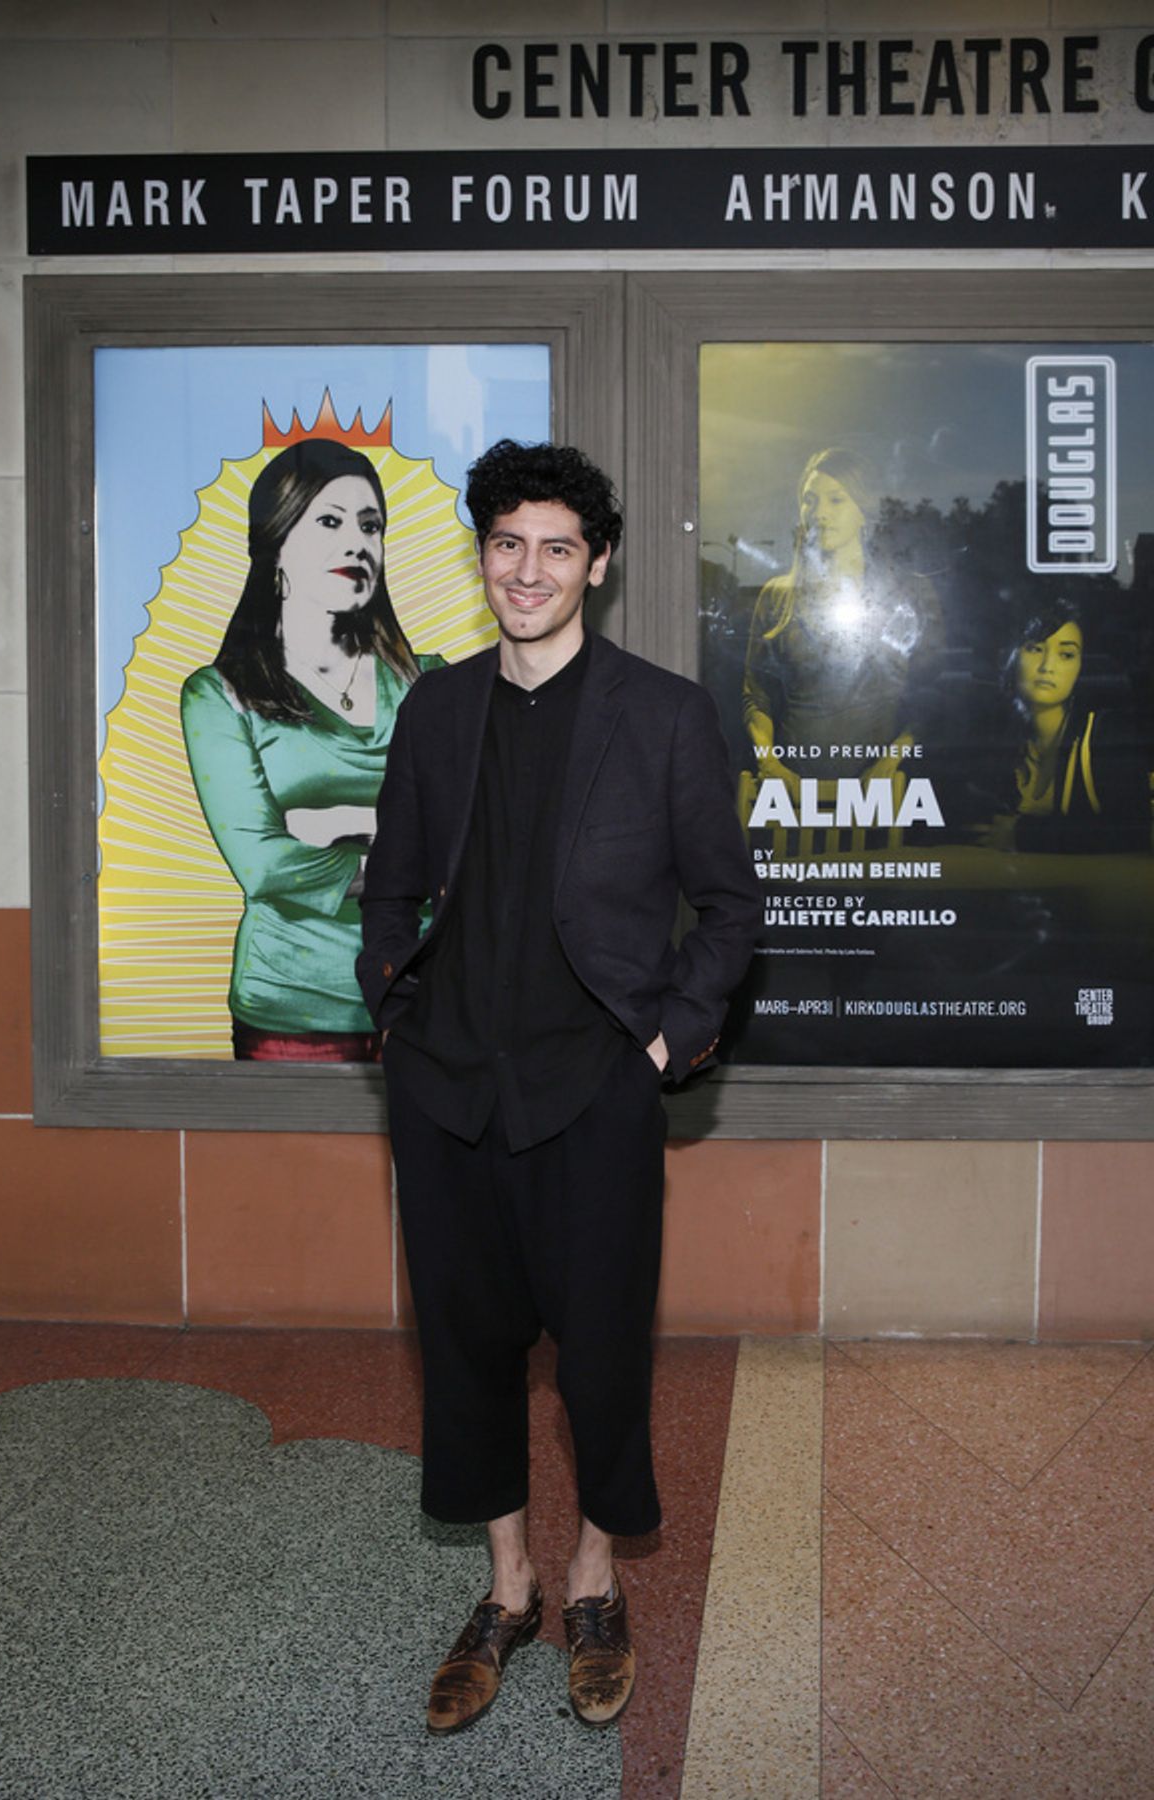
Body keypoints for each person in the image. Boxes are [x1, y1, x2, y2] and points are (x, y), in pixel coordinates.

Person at [357, 439, 762, 1734]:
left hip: (592, 1096)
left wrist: (663, 1047)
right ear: (483, 557)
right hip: (448, 1095)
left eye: (556, 548)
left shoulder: (661, 716)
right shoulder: (437, 708)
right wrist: (395, 1015)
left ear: (599, 564)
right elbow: (390, 888)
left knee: (597, 1361)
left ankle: (594, 1581)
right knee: (467, 1358)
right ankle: (510, 1588)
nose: (528, 571)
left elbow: (730, 908)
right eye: (506, 544)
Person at [181, 437, 440, 1061]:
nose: (358, 542)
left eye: (371, 526)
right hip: (294, 1009)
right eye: (329, 521)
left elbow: (471, 834)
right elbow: (264, 866)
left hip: (427, 997)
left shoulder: (429, 682)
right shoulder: (220, 695)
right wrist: (404, 850)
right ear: (276, 547)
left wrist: (330, 825)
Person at [742, 447, 943, 803]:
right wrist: (771, 765)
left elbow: (929, 696)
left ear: (864, 510)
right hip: (791, 800)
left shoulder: (907, 592)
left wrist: (893, 761)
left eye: (836, 500)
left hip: (882, 800)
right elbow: (756, 695)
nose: (819, 513)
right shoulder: (778, 596)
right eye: (809, 500)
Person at [971, 600, 1151, 855]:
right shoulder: (994, 737)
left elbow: (1138, 836)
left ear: (1081, 666)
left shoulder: (1105, 737)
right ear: (1011, 657)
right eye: (1035, 649)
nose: (1047, 666)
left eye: (1066, 654)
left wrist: (1027, 835)